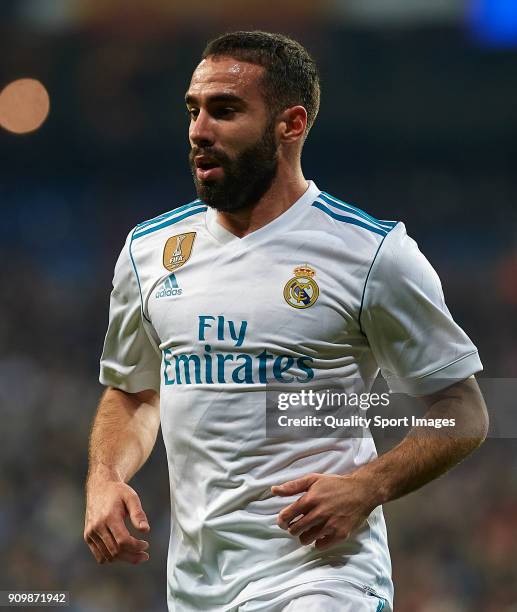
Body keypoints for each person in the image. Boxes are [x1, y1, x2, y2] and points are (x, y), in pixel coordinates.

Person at [84, 31, 489, 612]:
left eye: (225, 110)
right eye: (193, 110)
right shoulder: (149, 251)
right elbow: (133, 392)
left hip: (326, 576)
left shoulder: (372, 254)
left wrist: (367, 487)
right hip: (197, 586)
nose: (199, 130)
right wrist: (104, 476)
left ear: (291, 124)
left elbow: (465, 409)